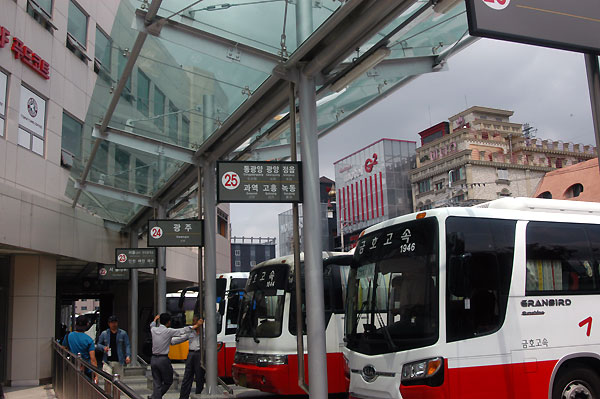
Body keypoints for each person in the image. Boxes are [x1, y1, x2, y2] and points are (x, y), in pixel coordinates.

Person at [149, 313, 203, 399]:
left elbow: (151, 325)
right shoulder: (168, 331)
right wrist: (196, 326)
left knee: (157, 382)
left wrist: (155, 319)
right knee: (169, 380)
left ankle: (155, 397)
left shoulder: (154, 330)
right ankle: (155, 397)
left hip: (153, 359)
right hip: (163, 359)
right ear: (168, 322)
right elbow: (182, 331)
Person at [171, 315, 205, 398]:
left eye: (194, 321)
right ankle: (183, 396)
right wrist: (168, 340)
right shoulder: (190, 332)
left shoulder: (205, 332)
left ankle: (199, 394)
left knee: (199, 376)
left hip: (200, 354)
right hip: (191, 354)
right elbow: (180, 339)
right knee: (187, 376)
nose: (193, 323)